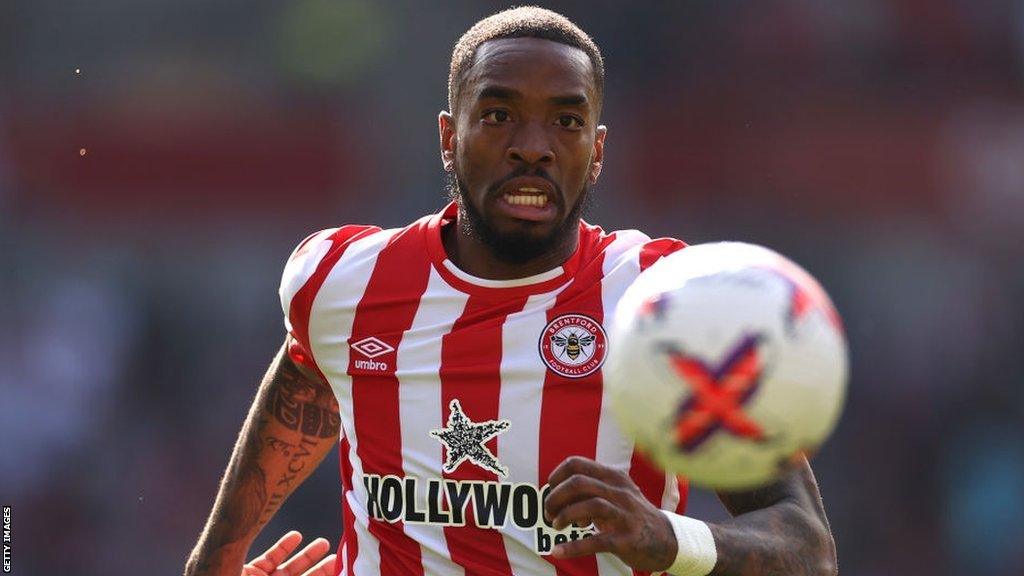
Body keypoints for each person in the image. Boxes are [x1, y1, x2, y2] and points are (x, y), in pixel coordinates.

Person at [184, 7, 837, 576]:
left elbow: (808, 549)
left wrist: (670, 539)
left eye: (566, 122)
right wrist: (217, 558)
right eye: (498, 116)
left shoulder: (664, 304)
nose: (533, 148)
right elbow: (306, 377)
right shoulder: (343, 280)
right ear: (449, 138)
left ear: (598, 150)